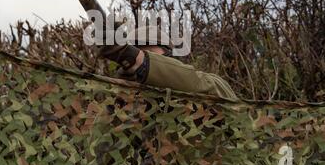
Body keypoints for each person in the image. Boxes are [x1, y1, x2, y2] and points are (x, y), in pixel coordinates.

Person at [98, 26, 238, 102]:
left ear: (170, 56)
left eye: (150, 54)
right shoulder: (121, 103)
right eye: (137, 51)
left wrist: (140, 61)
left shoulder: (208, 83)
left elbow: (213, 89)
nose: (141, 57)